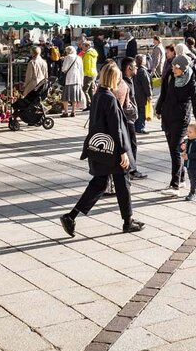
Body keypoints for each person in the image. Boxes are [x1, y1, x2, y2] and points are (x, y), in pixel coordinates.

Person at [60, 62, 144, 237]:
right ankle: (127, 222)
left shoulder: (99, 94)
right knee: (122, 183)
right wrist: (122, 152)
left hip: (100, 148)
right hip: (113, 150)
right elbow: (116, 128)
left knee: (99, 183)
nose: (120, 79)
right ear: (113, 78)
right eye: (118, 76)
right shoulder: (110, 99)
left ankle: (71, 216)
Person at [156, 53, 196, 190]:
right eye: (172, 67)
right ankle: (181, 178)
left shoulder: (191, 81)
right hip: (167, 117)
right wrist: (158, 109)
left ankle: (175, 184)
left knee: (176, 150)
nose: (173, 70)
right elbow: (163, 94)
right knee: (172, 149)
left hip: (181, 119)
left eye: (176, 68)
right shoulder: (170, 77)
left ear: (183, 69)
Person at [114, 58, 147, 181]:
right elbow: (123, 103)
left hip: (129, 118)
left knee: (131, 144)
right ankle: (131, 169)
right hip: (127, 119)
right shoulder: (123, 82)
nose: (137, 68)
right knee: (130, 145)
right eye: (134, 66)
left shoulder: (129, 80)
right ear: (129, 68)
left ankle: (131, 168)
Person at [182, 121, 196, 201]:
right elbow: (180, 148)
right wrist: (181, 148)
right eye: (187, 131)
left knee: (194, 179)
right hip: (188, 164)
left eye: (190, 132)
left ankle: (192, 193)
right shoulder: (187, 140)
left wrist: (188, 156)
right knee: (191, 178)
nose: (188, 133)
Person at [59, 45, 83, 117]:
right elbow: (81, 70)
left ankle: (66, 112)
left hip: (69, 79)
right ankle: (73, 111)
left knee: (65, 97)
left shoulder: (67, 57)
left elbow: (64, 69)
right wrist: (81, 81)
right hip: (77, 79)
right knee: (74, 97)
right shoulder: (79, 58)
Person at [131, 54, 152, 135]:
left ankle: (136, 127)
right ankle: (140, 128)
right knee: (141, 112)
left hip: (135, 94)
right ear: (143, 62)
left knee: (137, 111)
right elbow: (146, 84)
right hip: (142, 95)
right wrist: (149, 95)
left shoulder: (135, 70)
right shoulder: (143, 71)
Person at [80, 40, 99, 108]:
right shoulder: (93, 52)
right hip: (93, 73)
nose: (82, 48)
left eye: (83, 47)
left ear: (87, 46)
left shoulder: (88, 54)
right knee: (91, 90)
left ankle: (89, 104)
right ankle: (94, 104)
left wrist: (83, 73)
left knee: (84, 90)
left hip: (88, 73)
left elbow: (86, 64)